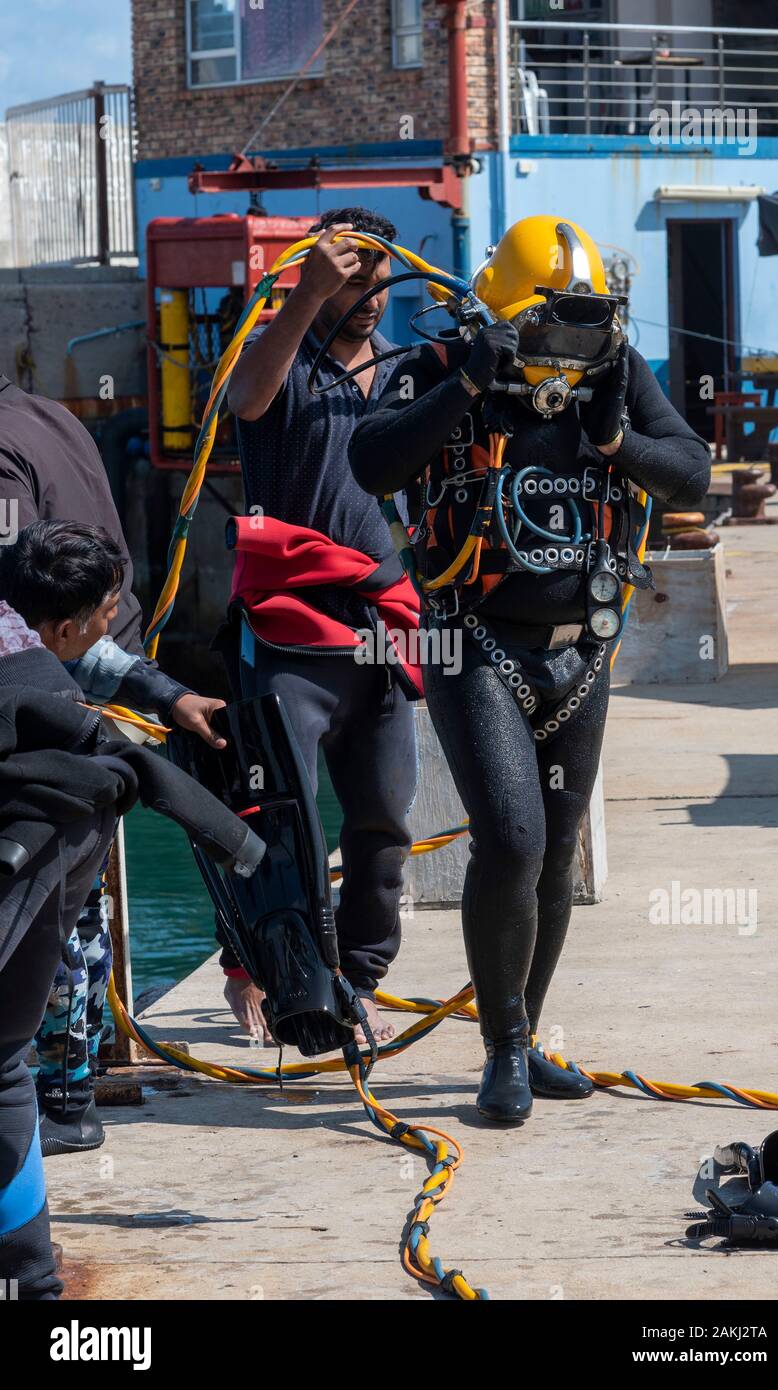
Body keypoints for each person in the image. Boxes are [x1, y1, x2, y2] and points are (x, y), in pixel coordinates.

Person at [349, 215, 712, 1120]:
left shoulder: (613, 373)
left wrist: (615, 442)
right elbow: (370, 460)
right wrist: (471, 381)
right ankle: (500, 1050)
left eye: (578, 330)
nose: (560, 354)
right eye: (542, 333)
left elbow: (692, 474)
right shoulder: (443, 367)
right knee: (509, 839)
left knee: (552, 854)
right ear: (500, 318)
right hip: (473, 643)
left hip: (580, 650)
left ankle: (527, 1030)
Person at [0, 596, 264, 1300]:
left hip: (37, 796)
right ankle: (30, 1283)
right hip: (74, 789)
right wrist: (165, 692)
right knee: (2, 1059)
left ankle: (28, 1274)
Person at [0, 378, 224, 1150]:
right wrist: (163, 690)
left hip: (47, 706)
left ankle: (54, 1102)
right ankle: (73, 1087)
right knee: (75, 909)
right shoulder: (50, 413)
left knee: (39, 914)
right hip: (92, 694)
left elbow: (31, 601)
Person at [224, 207, 420, 1044]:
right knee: (274, 814)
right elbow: (246, 395)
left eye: (379, 281)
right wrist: (306, 295)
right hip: (285, 628)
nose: (368, 296)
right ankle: (264, 971)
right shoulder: (282, 357)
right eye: (352, 280)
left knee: (382, 819)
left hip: (381, 626)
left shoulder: (410, 373)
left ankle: (359, 977)